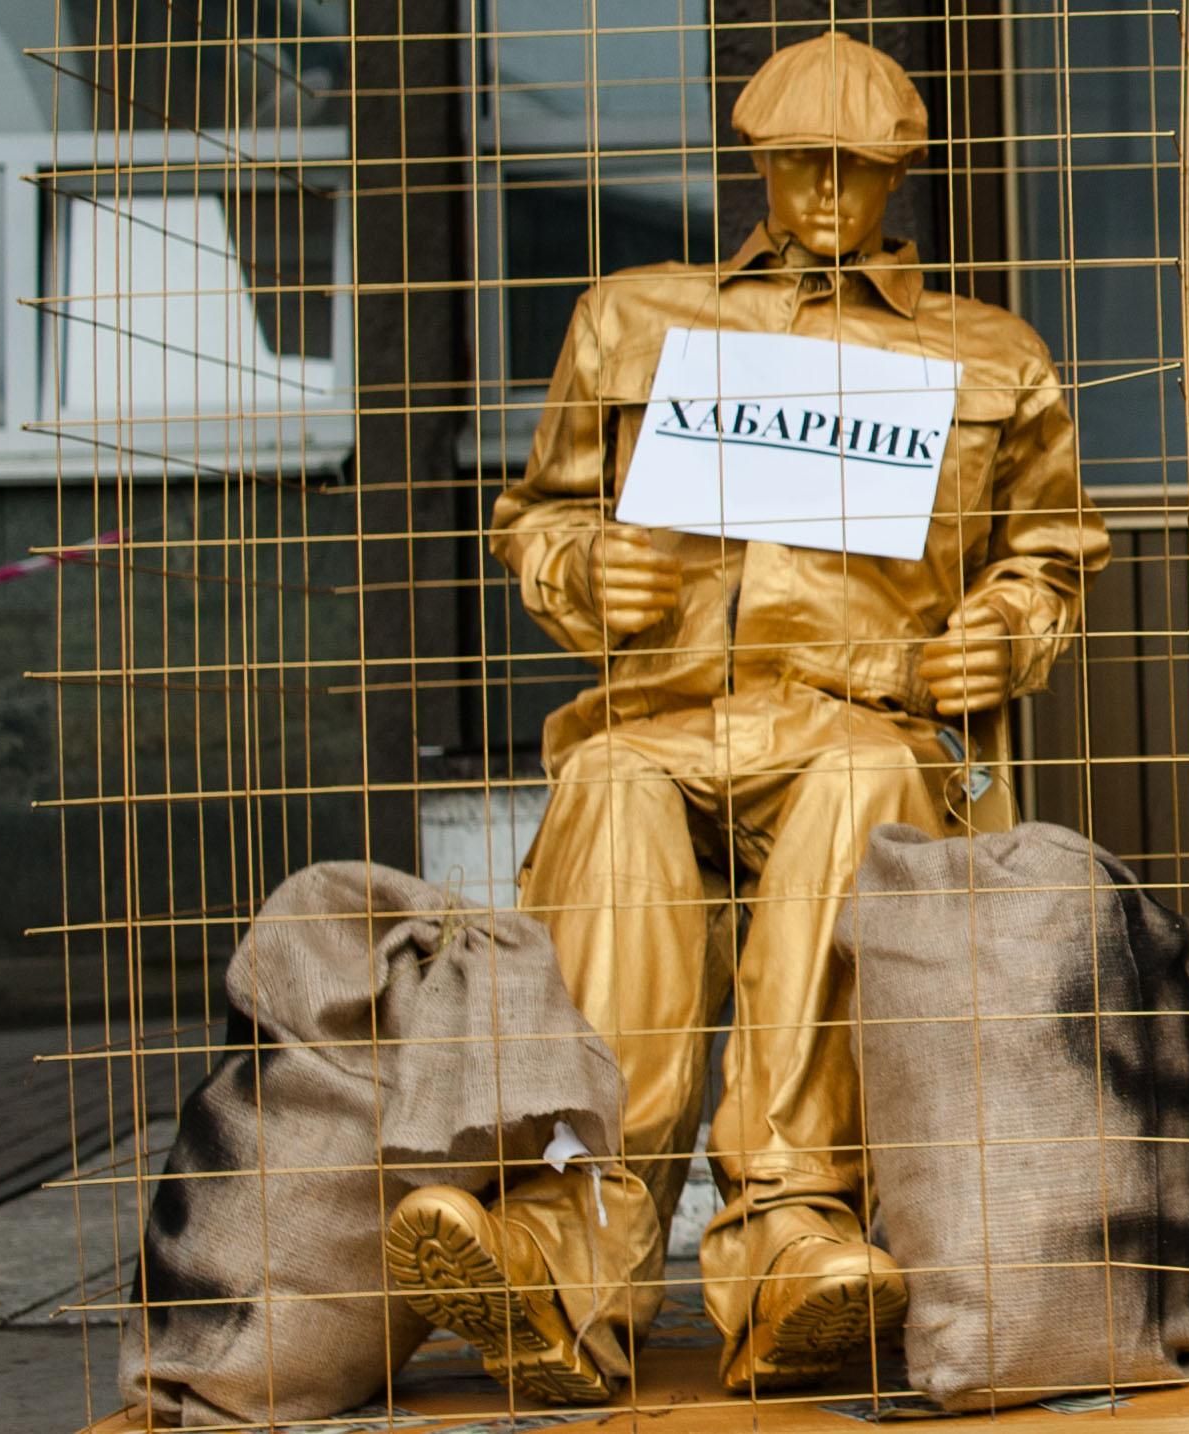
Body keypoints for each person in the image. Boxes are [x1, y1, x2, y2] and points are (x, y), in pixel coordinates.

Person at [381, 31, 1110, 1401]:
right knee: (608, 792)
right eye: (798, 162)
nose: (828, 191)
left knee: (851, 783)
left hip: (858, 717)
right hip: (659, 713)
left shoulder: (987, 352)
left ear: (901, 173)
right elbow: (538, 512)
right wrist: (587, 563)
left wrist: (1003, 630)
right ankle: (573, 1247)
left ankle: (789, 1227)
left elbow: (1055, 542)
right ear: (756, 162)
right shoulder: (632, 315)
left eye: (859, 167)